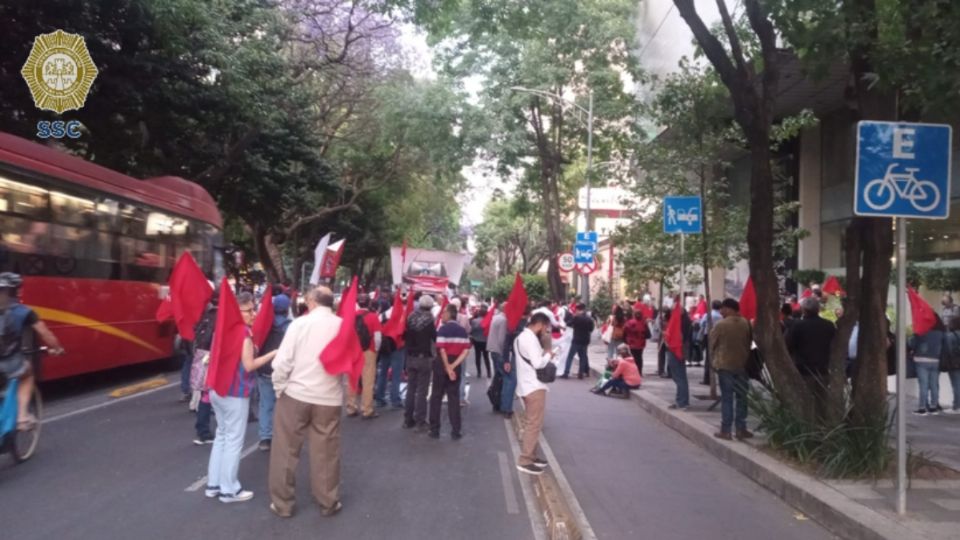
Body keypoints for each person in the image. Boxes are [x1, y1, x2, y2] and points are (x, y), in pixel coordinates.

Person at [267, 286, 344, 517]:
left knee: (286, 451)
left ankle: (283, 504)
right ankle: (328, 502)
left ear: (311, 301)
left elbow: (282, 362)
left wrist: (279, 387)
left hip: (296, 394)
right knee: (327, 452)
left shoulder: (299, 324)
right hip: (329, 397)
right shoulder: (342, 326)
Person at [205, 292, 276, 504]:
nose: (254, 314)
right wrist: (273, 353)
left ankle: (214, 485)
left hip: (217, 390)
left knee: (222, 437)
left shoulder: (223, 329)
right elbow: (249, 365)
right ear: (239, 311)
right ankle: (229, 489)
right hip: (235, 392)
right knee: (234, 441)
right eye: (250, 310)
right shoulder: (243, 333)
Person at [0, 272, 65, 431]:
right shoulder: (24, 312)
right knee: (27, 374)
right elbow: (45, 334)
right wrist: (57, 348)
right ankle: (22, 418)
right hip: (9, 362)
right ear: (18, 291)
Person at [513, 312, 554, 476]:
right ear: (540, 324)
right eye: (546, 327)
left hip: (526, 384)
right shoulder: (529, 339)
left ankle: (532, 456)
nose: (546, 331)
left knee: (534, 423)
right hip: (533, 386)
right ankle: (525, 459)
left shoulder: (521, 337)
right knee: (534, 424)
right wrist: (549, 353)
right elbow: (538, 363)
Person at [709, 299, 753, 440]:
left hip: (724, 365)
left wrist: (712, 362)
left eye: (722, 309)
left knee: (727, 398)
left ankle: (726, 430)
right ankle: (741, 429)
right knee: (742, 398)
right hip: (742, 364)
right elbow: (750, 343)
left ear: (729, 309)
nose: (721, 312)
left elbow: (712, 344)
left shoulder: (721, 325)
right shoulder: (746, 323)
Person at [786, 297, 836, 420]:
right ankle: (821, 430)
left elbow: (788, 345)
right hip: (823, 370)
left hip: (804, 371)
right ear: (818, 309)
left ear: (804, 310)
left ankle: (807, 429)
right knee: (821, 403)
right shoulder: (828, 326)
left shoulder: (798, 326)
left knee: (804, 402)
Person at [257, 293, 292, 451]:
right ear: (287, 309)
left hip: (264, 369)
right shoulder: (291, 326)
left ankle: (265, 437)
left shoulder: (264, 324)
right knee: (284, 405)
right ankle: (282, 437)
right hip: (284, 371)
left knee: (265, 404)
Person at [430, 304, 470, 439]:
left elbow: (441, 350)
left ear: (449, 314)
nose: (442, 315)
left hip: (441, 365)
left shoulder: (442, 329)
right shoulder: (462, 331)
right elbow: (466, 351)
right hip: (456, 364)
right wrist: (453, 366)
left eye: (444, 313)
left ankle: (434, 430)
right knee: (454, 398)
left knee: (436, 397)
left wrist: (447, 367)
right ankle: (456, 430)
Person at [403, 295, 437, 431]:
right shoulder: (429, 319)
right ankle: (420, 421)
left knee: (410, 389)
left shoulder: (410, 317)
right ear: (430, 306)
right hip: (424, 358)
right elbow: (434, 338)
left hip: (410, 357)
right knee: (422, 391)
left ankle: (407, 419)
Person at [346, 294, 382, 420]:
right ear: (369, 303)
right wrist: (376, 350)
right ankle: (367, 409)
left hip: (353, 351)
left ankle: (351, 407)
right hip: (368, 351)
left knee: (352, 379)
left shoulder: (351, 317)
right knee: (368, 381)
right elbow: (377, 337)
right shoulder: (373, 317)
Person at [908, 316, 945, 416]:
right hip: (935, 360)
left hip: (921, 360)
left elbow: (911, 343)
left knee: (923, 385)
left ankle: (922, 408)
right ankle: (934, 407)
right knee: (934, 384)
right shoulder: (940, 333)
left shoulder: (921, 331)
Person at [375, 290, 405, 410]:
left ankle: (380, 398)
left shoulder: (382, 315)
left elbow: (377, 330)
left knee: (383, 373)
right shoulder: (403, 315)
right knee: (396, 375)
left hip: (385, 347)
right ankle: (395, 400)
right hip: (398, 347)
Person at [487, 302, 514, 417]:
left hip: (493, 350)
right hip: (499, 351)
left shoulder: (496, 317)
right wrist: (507, 354)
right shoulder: (503, 320)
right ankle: (504, 406)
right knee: (507, 378)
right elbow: (502, 340)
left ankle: (495, 400)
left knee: (498, 377)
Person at [665, 306, 693, 410]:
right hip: (679, 349)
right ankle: (681, 400)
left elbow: (679, 336)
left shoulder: (681, 323)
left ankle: (682, 401)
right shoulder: (684, 321)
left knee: (679, 377)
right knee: (680, 376)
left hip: (677, 349)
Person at [562, 303, 594, 379]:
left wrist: (574, 325)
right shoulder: (589, 318)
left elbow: (568, 324)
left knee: (570, 356)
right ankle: (581, 374)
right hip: (585, 339)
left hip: (576, 339)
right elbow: (591, 329)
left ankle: (566, 372)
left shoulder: (576, 317)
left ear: (578, 310)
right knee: (582, 357)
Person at [699, 300, 722, 386]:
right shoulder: (721, 316)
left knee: (708, 357)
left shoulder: (708, 315)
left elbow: (702, 324)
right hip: (719, 337)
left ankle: (707, 378)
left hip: (708, 335)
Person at [941, 317, 960, 414]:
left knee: (956, 385)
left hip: (954, 363)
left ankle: (957, 406)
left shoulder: (950, 336)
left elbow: (948, 350)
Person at [623, 309, 649, 375]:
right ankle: (639, 372)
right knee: (639, 357)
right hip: (641, 344)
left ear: (634, 315)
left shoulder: (629, 323)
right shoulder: (644, 323)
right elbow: (648, 335)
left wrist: (625, 341)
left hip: (632, 343)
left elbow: (624, 332)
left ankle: (633, 371)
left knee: (633, 357)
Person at [469, 305, 491, 378]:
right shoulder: (488, 321)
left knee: (477, 356)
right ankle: (489, 372)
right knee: (486, 357)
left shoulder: (474, 321)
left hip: (477, 341)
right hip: (485, 341)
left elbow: (471, 331)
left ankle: (479, 372)